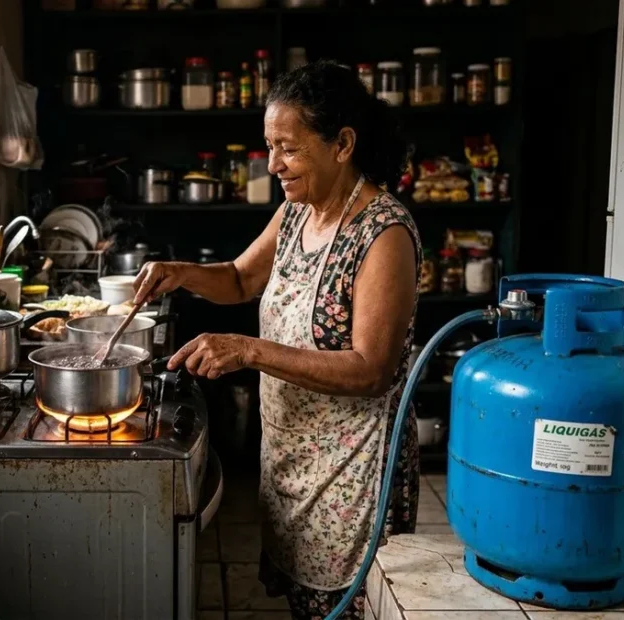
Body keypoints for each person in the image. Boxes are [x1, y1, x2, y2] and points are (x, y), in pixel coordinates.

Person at [132, 60, 421, 620]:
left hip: (353, 472)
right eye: (270, 146)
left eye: (287, 148)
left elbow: (371, 370)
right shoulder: (297, 211)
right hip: (292, 458)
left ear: (342, 143)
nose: (274, 164)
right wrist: (182, 271)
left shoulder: (383, 233)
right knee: (302, 601)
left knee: (349, 608)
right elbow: (241, 278)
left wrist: (248, 350)